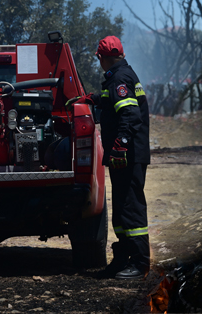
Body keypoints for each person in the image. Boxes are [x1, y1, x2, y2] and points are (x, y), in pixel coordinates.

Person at [68, 36, 151, 279]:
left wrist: (120, 146)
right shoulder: (122, 76)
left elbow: (129, 115)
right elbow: (115, 104)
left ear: (102, 58)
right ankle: (123, 257)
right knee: (122, 209)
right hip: (126, 156)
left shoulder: (120, 79)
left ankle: (139, 263)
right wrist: (93, 99)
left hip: (128, 156)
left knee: (131, 208)